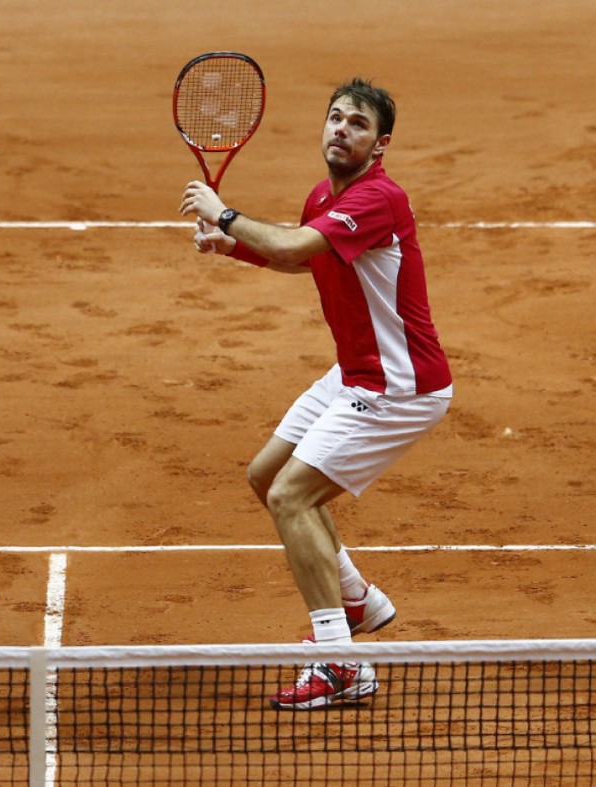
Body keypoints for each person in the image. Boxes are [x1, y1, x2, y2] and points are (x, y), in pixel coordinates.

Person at [179, 78, 452, 711]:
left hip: (399, 384)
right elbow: (304, 259)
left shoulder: (380, 197)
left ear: (379, 144)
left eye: (357, 124)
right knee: (265, 474)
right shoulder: (324, 197)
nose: (341, 130)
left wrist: (223, 213)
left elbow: (295, 243)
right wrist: (231, 247)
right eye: (335, 118)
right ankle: (356, 596)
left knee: (290, 497)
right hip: (356, 370)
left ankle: (340, 660)